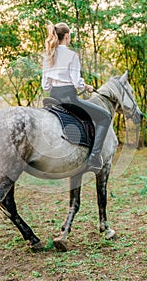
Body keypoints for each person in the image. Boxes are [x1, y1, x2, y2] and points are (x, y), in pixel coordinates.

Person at [42, 22, 111, 171]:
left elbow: (45, 86)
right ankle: (94, 157)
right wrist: (85, 86)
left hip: (53, 98)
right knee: (105, 116)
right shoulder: (71, 55)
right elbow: (77, 82)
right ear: (66, 36)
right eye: (69, 37)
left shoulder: (48, 56)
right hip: (69, 100)